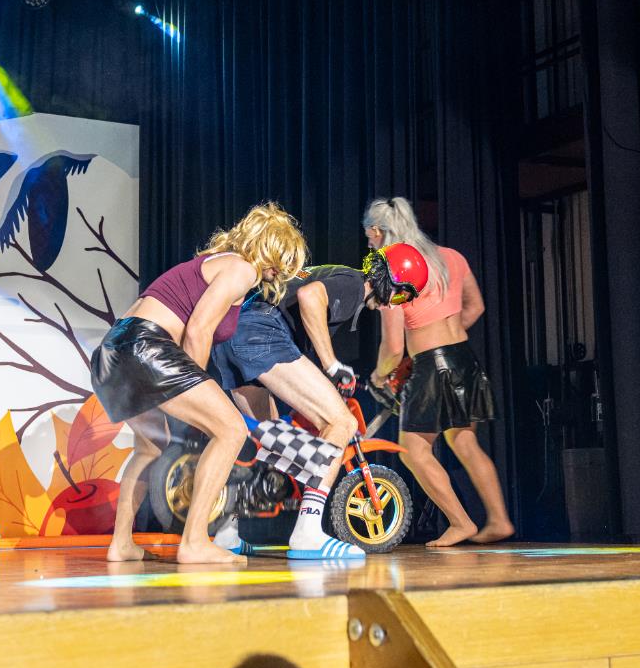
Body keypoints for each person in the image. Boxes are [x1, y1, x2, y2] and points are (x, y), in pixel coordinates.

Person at [91, 203, 307, 565]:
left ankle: (122, 543)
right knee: (231, 431)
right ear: (268, 248)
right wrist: (200, 386)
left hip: (111, 353)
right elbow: (199, 329)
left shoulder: (213, 262)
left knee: (150, 448)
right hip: (146, 346)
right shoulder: (242, 268)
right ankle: (194, 542)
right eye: (280, 262)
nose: (278, 273)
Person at [209, 243, 430, 559]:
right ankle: (308, 533)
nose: (392, 304)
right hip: (262, 334)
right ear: (390, 280)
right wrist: (332, 365)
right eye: (399, 296)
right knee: (342, 423)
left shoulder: (335, 277)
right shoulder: (354, 283)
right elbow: (310, 296)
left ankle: (226, 531)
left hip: (232, 335)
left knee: (269, 439)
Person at [364, 196, 514, 546]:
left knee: (414, 450)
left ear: (377, 231)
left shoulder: (394, 268)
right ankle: (499, 520)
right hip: (464, 358)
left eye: (369, 237)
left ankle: (461, 522)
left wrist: (379, 375)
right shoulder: (451, 257)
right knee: (465, 442)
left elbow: (393, 347)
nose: (369, 244)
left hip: (431, 366)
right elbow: (475, 307)